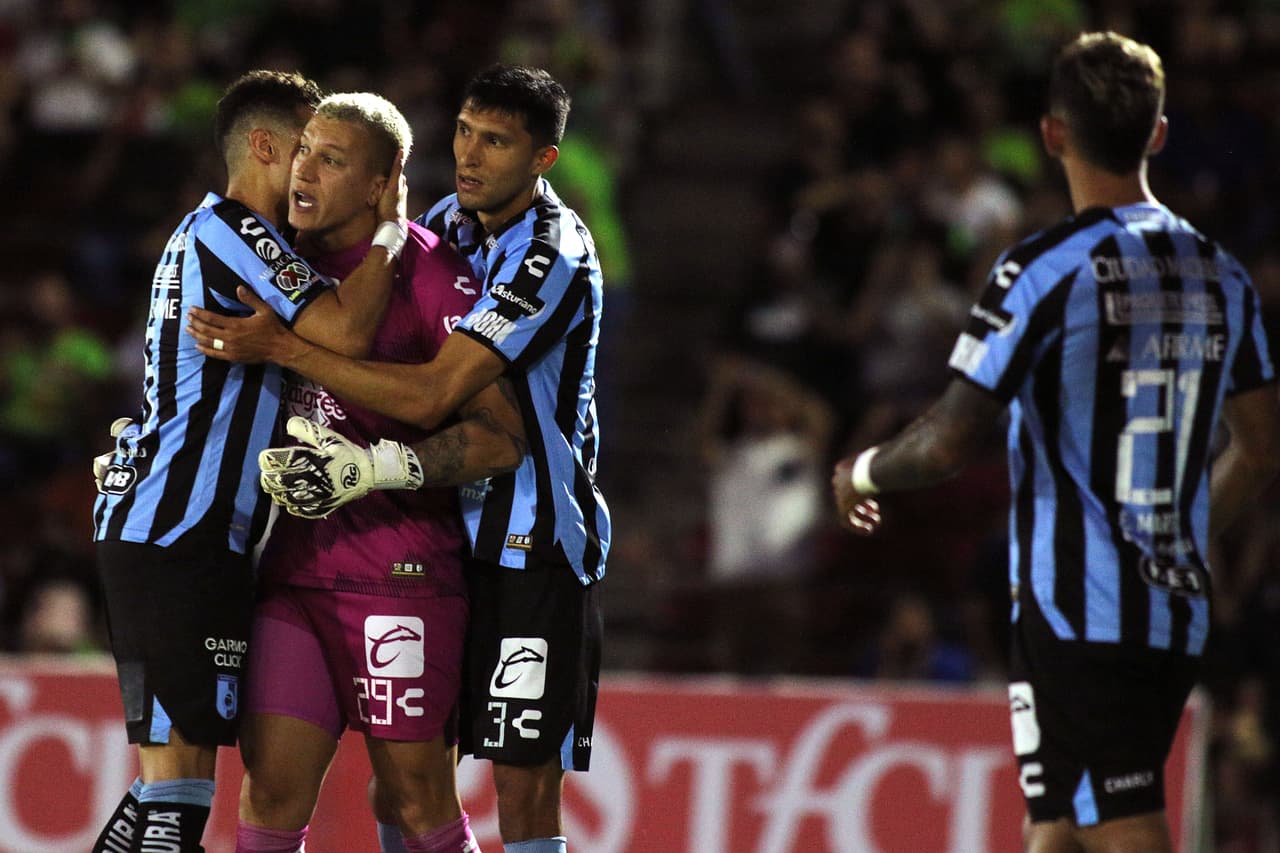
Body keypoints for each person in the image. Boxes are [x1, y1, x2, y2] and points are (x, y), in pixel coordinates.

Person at [831, 32, 1280, 853]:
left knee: (1125, 822)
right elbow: (1263, 447)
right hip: (1162, 604)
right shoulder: (1222, 273)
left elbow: (947, 442)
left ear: (1051, 135)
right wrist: (1181, 536)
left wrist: (861, 470)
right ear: (1158, 134)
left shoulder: (1043, 268)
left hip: (1080, 603)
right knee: (1059, 825)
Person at [187, 64, 608, 853]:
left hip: (525, 537)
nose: (471, 155)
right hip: (347, 557)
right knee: (295, 789)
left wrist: (368, 457)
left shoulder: (543, 255)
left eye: (498, 141)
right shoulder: (431, 228)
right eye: (465, 132)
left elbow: (451, 401)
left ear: (543, 159)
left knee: (511, 790)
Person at [90, 69, 408, 853]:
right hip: (177, 528)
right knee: (179, 785)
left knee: (166, 775)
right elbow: (345, 333)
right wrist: (392, 233)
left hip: (188, 528)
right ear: (264, 147)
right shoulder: (236, 230)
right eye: (307, 148)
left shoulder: (209, 234)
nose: (312, 169)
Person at [233, 92, 515, 853]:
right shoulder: (278, 263)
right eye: (304, 152)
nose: (304, 171)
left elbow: (497, 440)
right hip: (294, 576)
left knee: (413, 798)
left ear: (382, 179)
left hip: (403, 575)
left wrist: (378, 469)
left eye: (332, 158)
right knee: (270, 793)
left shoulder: (434, 276)